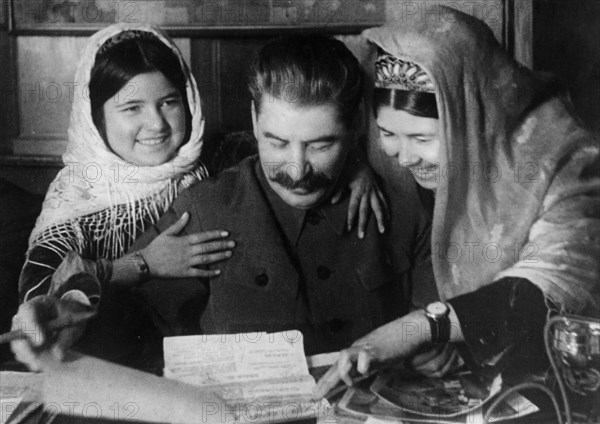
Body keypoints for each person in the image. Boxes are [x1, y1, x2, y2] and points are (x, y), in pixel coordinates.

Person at [11, 25, 388, 371]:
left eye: (169, 102)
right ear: (93, 119)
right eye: (131, 108)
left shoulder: (220, 154)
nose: (157, 124)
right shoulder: (71, 212)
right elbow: (60, 309)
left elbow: (304, 132)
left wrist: (356, 163)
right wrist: (142, 264)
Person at [314, 6, 600, 398]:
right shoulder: (453, 160)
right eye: (387, 133)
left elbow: (555, 285)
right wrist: (454, 346)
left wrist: (415, 329)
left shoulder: (568, 159)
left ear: (470, 119)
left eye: (422, 139)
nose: (404, 156)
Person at [131, 34, 433, 357]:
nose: (297, 170)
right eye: (277, 143)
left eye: (320, 145)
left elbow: (440, 330)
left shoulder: (406, 213)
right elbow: (136, 338)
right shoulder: (202, 211)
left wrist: (433, 350)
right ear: (254, 121)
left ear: (357, 123)